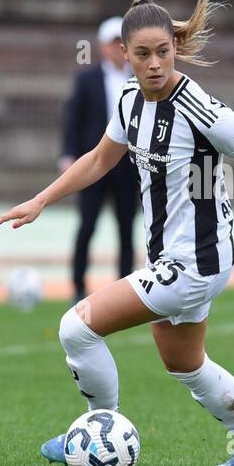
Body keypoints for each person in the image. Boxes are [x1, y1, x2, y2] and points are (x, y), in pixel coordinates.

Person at [0, 0, 234, 466]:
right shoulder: (130, 100)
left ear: (175, 47)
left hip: (195, 261)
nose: (154, 64)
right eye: (143, 54)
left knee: (76, 328)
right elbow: (98, 160)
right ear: (123, 54)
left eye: (163, 52)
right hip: (176, 257)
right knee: (186, 364)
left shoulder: (200, 108)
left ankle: (96, 432)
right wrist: (41, 200)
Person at [60, 16, 138, 303]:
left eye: (122, 42)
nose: (118, 48)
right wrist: (68, 154)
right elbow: (73, 118)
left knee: (127, 227)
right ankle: (78, 286)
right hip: (95, 162)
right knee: (87, 225)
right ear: (102, 47)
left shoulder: (140, 77)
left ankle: (125, 290)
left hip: (129, 166)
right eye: (112, 43)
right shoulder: (87, 79)